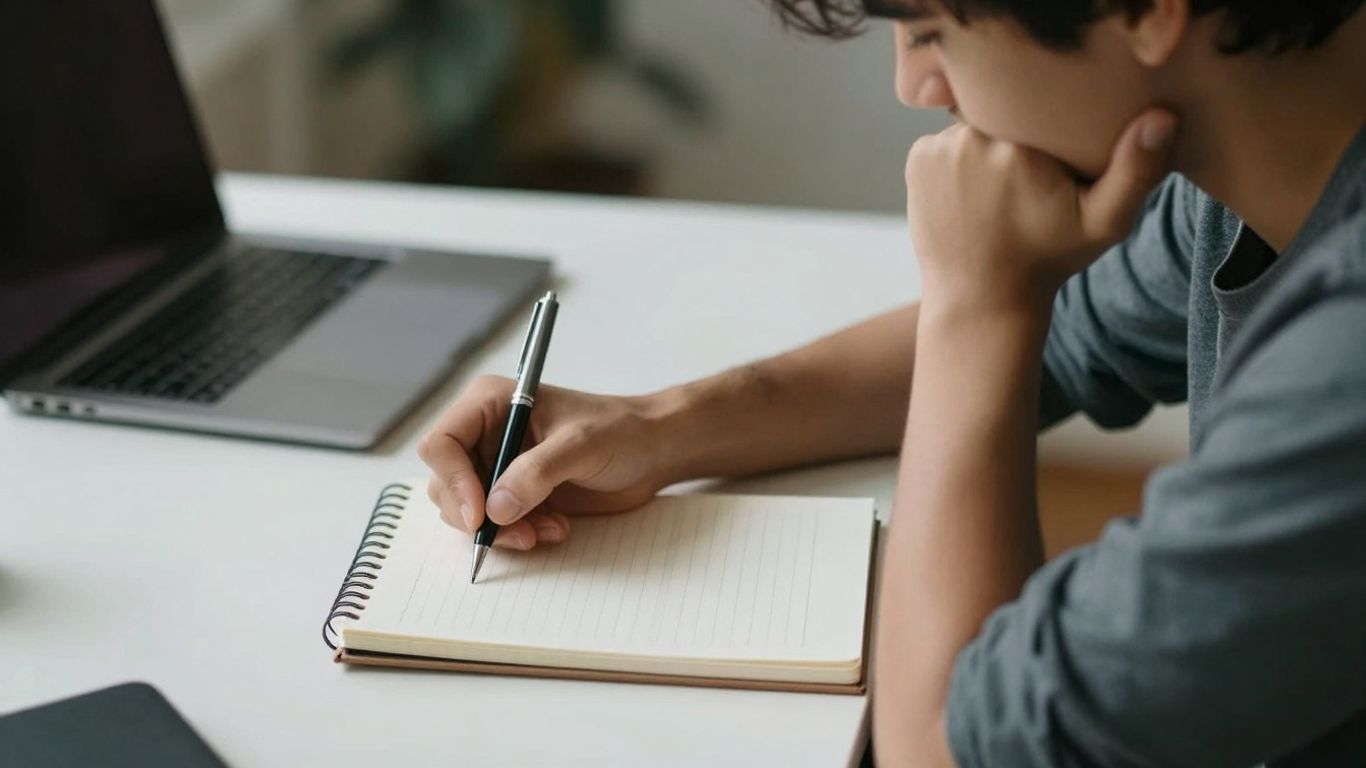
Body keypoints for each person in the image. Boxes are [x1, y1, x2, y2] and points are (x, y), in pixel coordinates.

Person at [417, 0, 1366, 764]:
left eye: (928, 27)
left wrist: (980, 301)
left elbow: (945, 747)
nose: (915, 84)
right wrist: (660, 426)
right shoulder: (1249, 177)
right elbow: (1070, 339)